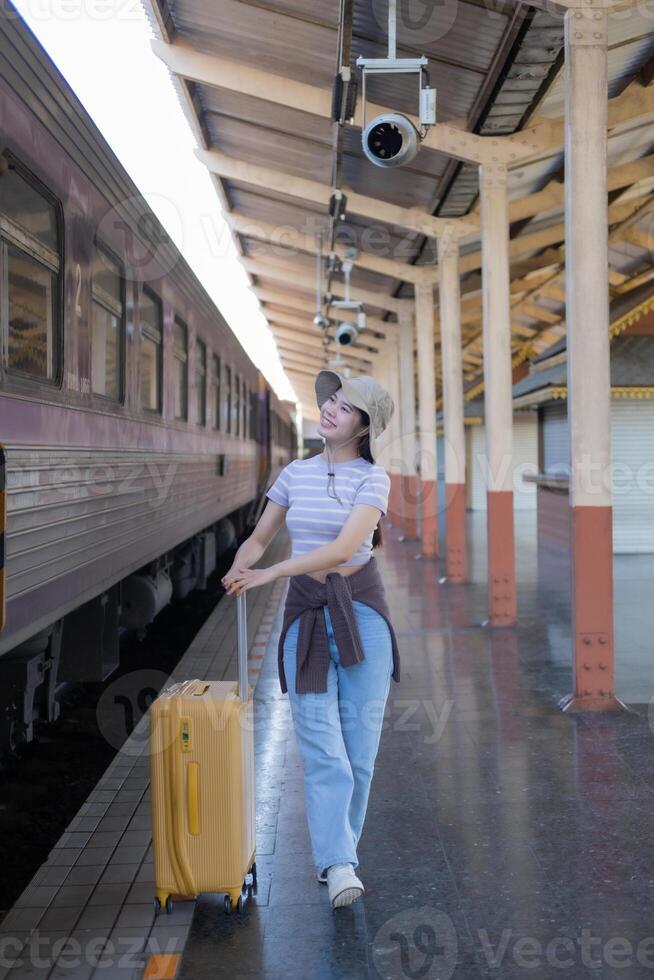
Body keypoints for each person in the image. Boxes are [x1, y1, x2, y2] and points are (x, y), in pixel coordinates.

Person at [221, 370, 401, 910]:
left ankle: (339, 849)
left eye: (345, 409)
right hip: (305, 616)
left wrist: (273, 574)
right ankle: (338, 863)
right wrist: (241, 564)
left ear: (364, 427)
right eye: (332, 402)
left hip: (361, 613)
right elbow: (259, 537)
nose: (330, 410)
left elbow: (347, 549)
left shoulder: (375, 480)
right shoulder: (295, 474)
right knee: (323, 748)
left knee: (360, 752)